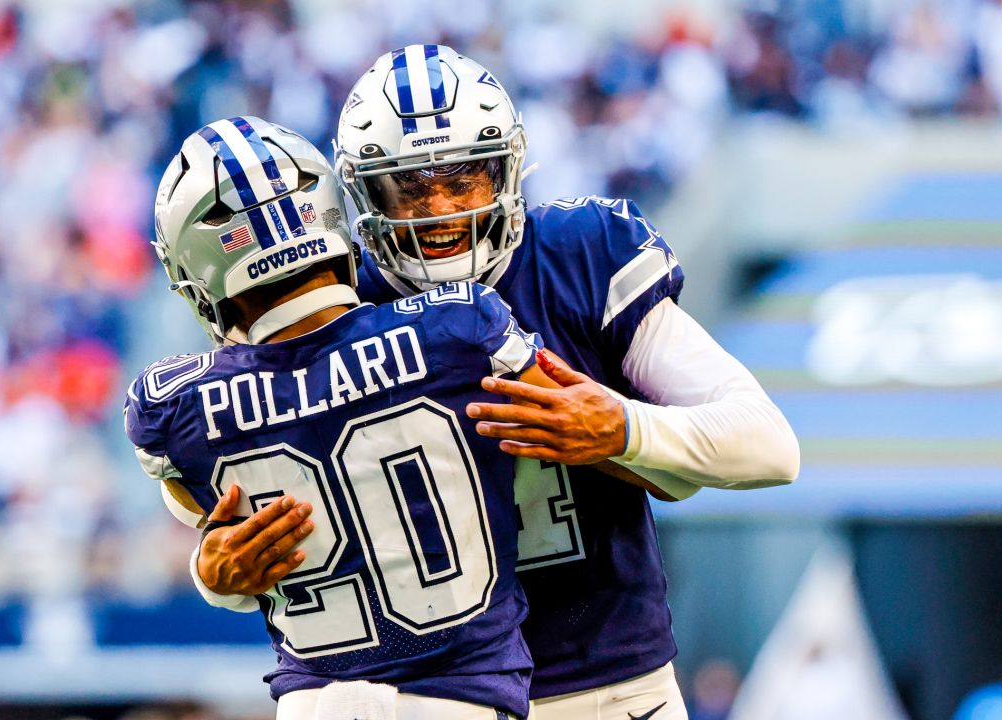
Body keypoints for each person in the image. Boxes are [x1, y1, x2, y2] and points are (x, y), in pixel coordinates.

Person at [189, 46, 801, 719]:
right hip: (428, 700)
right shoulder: (332, 304)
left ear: (506, 171)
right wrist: (216, 575)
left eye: (464, 179)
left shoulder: (579, 256)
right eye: (410, 186)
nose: (441, 210)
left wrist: (621, 428)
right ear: (361, 194)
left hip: (605, 686)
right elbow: (236, 526)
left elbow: (770, 446)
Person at [127, 116, 652, 719]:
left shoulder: (170, 409)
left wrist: (210, 571)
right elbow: (629, 455)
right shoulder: (462, 326)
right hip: (465, 700)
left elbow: (216, 541)